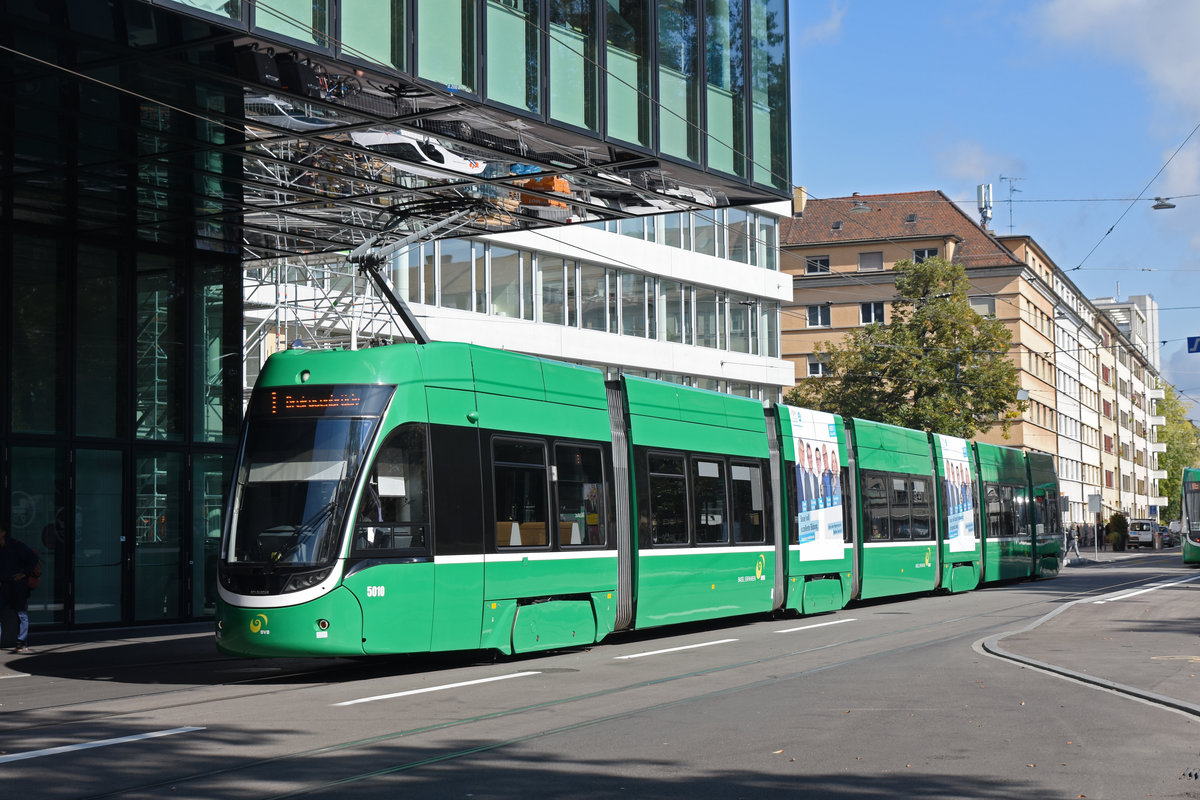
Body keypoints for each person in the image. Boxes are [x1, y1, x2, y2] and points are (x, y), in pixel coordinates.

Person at [0, 522, 41, 653]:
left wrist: (24, 573)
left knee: (21, 612)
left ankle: (21, 642)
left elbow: (34, 558)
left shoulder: (16, 545)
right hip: (3, 584)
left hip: (17, 584)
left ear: (3, 532)